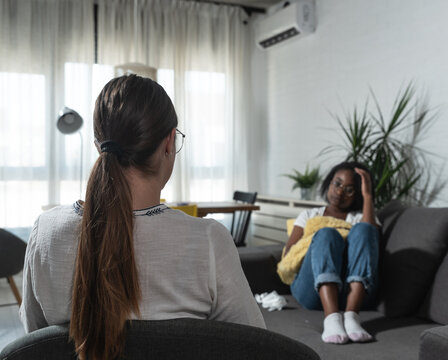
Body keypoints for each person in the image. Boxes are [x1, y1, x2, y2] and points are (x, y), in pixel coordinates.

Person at [20, 75, 265, 360]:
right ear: (169, 143)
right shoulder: (208, 241)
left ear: (98, 145)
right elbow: (255, 347)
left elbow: (35, 345)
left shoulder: (45, 231)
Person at [283, 161, 380, 345]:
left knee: (365, 230)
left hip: (353, 293)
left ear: (357, 194)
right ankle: (332, 318)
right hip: (312, 291)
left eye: (350, 189)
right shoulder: (309, 215)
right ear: (329, 183)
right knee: (326, 233)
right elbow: (290, 253)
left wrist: (368, 195)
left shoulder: (360, 217)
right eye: (337, 184)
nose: (340, 192)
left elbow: (372, 244)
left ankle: (351, 317)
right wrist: (319, 247)